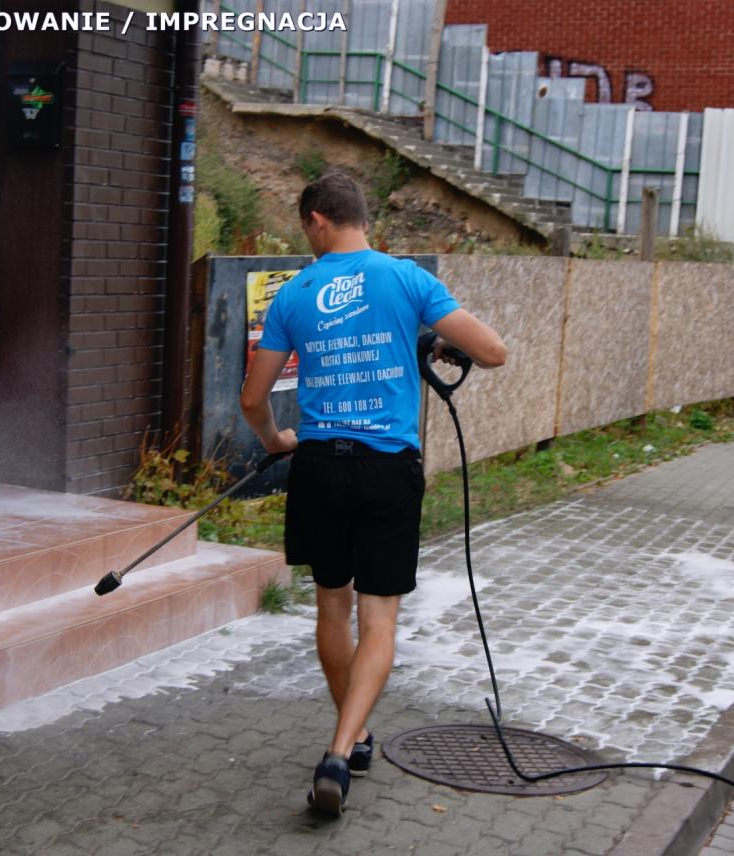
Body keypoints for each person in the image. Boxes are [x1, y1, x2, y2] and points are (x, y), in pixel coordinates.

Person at [240, 173, 507, 816]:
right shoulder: (406, 279)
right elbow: (493, 352)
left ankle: (352, 737)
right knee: (378, 617)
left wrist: (278, 441)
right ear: (362, 218)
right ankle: (340, 750)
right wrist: (436, 338)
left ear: (316, 222)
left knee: (332, 608)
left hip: (319, 469)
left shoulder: (294, 293)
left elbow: (253, 398)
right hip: (387, 469)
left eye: (305, 227)